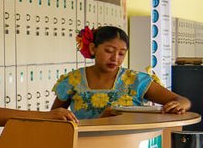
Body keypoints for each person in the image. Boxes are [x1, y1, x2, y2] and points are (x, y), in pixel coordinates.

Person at [53, 26, 192, 118]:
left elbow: (182, 100)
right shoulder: (73, 80)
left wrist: (179, 105)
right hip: (84, 146)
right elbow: (54, 117)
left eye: (121, 54)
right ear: (92, 48)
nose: (115, 58)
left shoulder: (136, 81)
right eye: (109, 51)